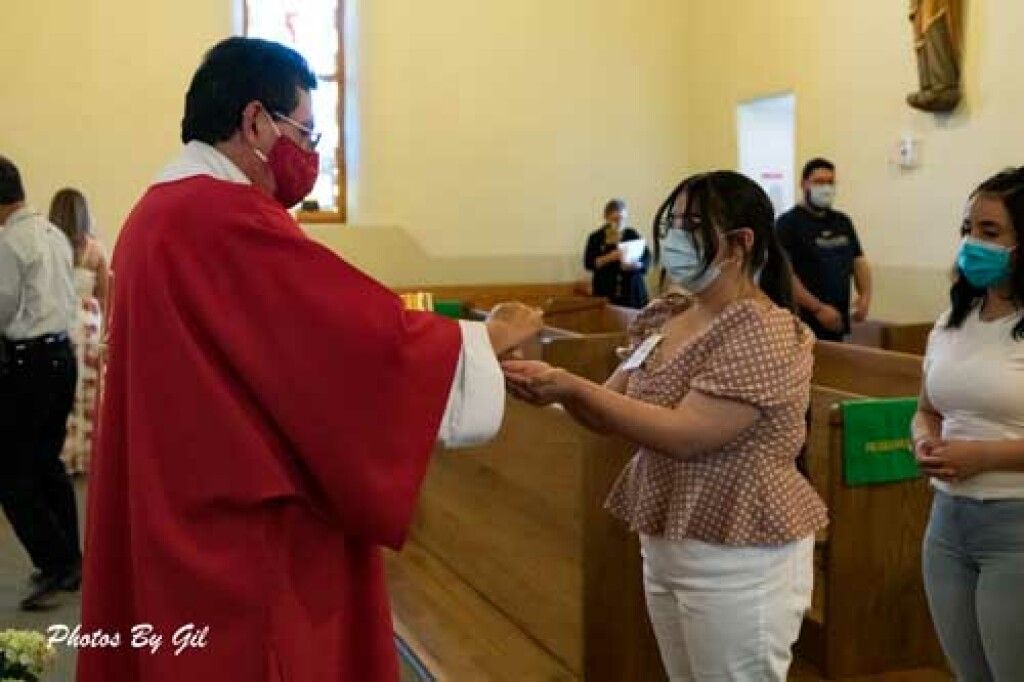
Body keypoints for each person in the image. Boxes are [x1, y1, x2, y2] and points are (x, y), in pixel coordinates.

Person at [77, 38, 542, 681]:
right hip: (235, 535)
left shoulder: (157, 212)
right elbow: (342, 342)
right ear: (255, 122)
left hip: (175, 504)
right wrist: (481, 341)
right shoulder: (218, 214)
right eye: (307, 132)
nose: (313, 156)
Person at [506, 171, 828, 680]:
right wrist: (546, 384)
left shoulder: (764, 330)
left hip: (739, 551)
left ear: (740, 243)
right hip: (668, 541)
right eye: (673, 223)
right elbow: (606, 409)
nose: (675, 236)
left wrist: (571, 385)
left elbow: (687, 435)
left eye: (692, 224)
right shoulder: (668, 315)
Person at [911, 167, 1024, 681]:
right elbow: (927, 408)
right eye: (968, 229)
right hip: (947, 524)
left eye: (990, 232)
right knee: (968, 673)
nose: (972, 243)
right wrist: (925, 443)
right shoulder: (951, 320)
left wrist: (982, 456)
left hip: (1014, 525)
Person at [0, 156, 82, 610]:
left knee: (12, 473)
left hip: (28, 363)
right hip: (61, 357)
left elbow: (3, 307)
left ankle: (55, 561)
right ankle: (70, 557)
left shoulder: (10, 243)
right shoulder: (52, 234)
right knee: (46, 460)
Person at [776, 158, 873, 341]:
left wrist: (865, 296)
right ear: (804, 184)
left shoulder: (842, 222)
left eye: (830, 182)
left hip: (836, 321)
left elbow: (858, 261)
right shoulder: (788, 224)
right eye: (819, 182)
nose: (826, 188)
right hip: (802, 323)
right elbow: (784, 274)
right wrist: (818, 308)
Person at [49, 188, 110, 475]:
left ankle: (63, 451)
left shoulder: (50, 249)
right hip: (89, 328)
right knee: (89, 394)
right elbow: (105, 295)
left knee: (62, 396)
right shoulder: (94, 251)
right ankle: (88, 452)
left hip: (61, 325)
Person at [584, 198, 651, 309]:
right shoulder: (596, 237)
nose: (620, 223)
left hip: (632, 293)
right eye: (615, 219)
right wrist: (609, 257)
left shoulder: (632, 234)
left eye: (623, 219)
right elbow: (588, 263)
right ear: (606, 218)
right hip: (606, 291)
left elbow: (647, 257)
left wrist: (638, 265)